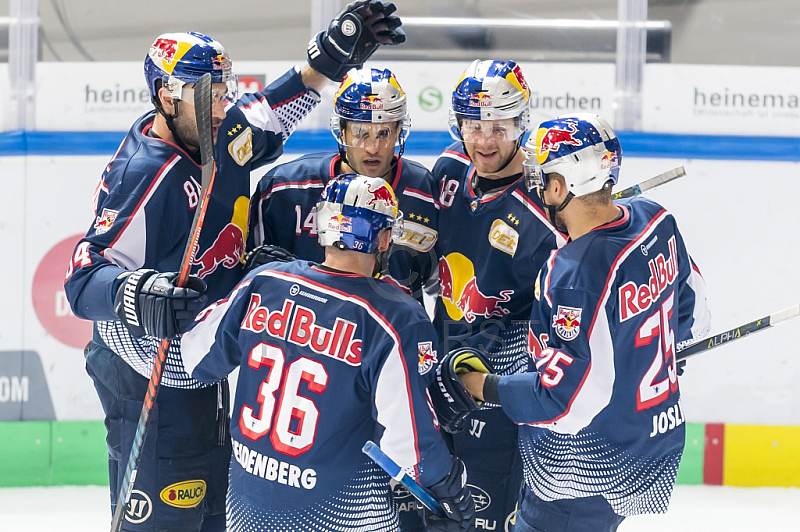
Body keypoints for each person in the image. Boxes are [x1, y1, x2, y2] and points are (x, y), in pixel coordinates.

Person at [64, 4, 406, 530]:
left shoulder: (215, 132)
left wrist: (329, 60)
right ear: (165, 96)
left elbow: (270, 112)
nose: (222, 108)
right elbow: (83, 277)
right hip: (145, 370)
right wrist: (138, 291)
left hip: (197, 359)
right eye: (209, 96)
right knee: (171, 508)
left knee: (212, 506)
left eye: (224, 92)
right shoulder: (146, 173)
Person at [449, 114, 712, 531]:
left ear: (558, 187)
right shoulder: (655, 221)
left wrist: (481, 387)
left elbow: (565, 403)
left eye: (540, 180)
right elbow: (693, 316)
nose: (535, 190)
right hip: (645, 442)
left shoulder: (573, 275)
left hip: (581, 467)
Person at [180, 174, 475, 532]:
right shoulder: (396, 318)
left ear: (322, 225)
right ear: (383, 238)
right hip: (342, 516)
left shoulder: (265, 281)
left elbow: (195, 358)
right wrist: (449, 487)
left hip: (248, 511)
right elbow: (409, 448)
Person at [431, 59, 566, 530]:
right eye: (474, 125)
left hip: (498, 387)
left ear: (520, 124)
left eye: (499, 126)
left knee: (482, 515)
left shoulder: (546, 205)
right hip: (436, 367)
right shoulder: (447, 170)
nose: (485, 140)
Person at [248, 66, 438, 303]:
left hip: (396, 332)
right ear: (342, 131)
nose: (373, 148)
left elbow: (440, 283)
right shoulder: (284, 189)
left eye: (384, 132)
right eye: (360, 132)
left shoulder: (425, 192)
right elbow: (248, 282)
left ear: (400, 131)